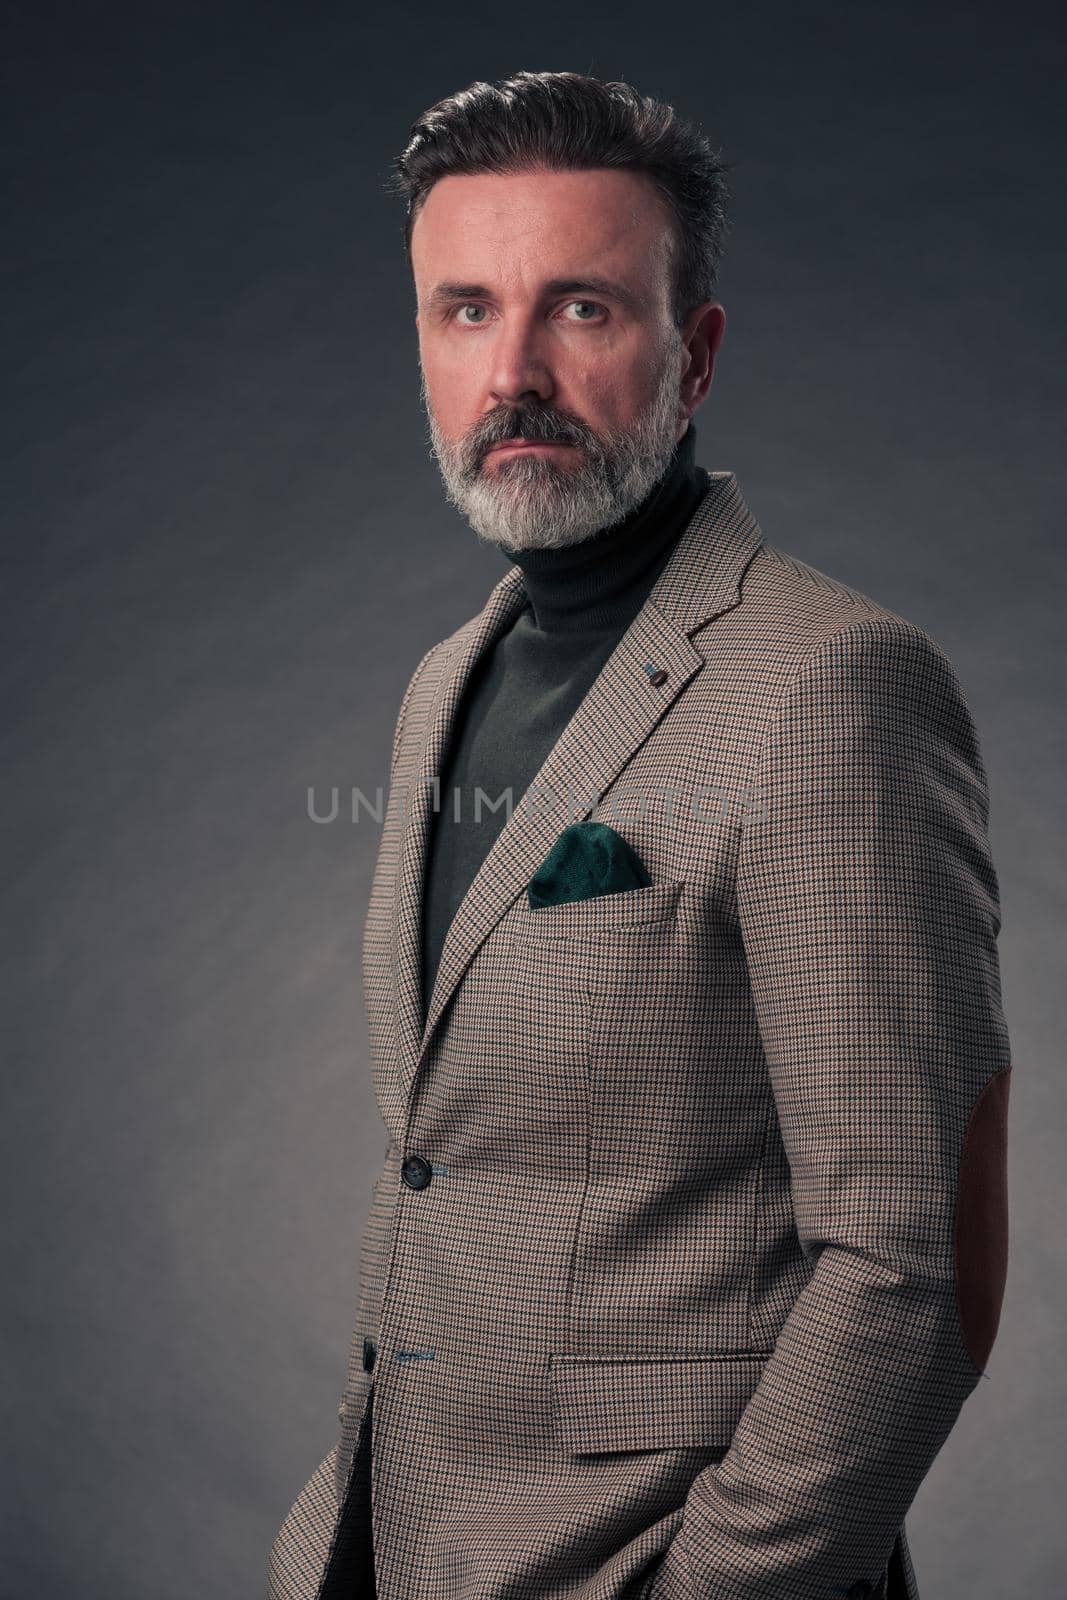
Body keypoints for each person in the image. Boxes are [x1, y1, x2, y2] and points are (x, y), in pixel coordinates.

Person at [269, 70, 1011, 1600]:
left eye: (584, 310)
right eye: (465, 310)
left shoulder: (835, 684)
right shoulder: (439, 689)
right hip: (389, 1547)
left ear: (698, 352)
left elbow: (911, 1267)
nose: (514, 372)